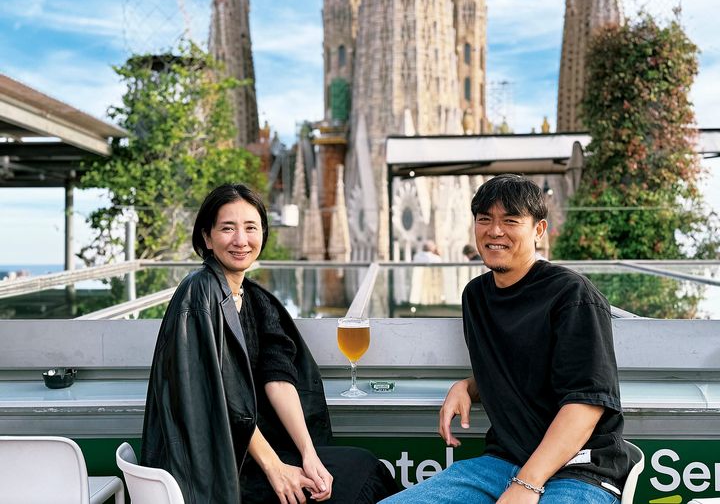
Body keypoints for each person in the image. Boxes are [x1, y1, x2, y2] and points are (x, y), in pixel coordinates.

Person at [381, 174, 633, 504]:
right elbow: (524, 368)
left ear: (539, 230)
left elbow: (585, 404)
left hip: (578, 469)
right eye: (485, 219)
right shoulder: (476, 296)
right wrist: (468, 386)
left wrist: (527, 483)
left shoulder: (572, 294)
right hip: (502, 462)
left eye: (511, 221)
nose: (495, 231)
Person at [142, 183, 398, 504]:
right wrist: (276, 468)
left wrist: (309, 454)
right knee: (356, 482)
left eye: (251, 228)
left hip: (250, 454)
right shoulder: (199, 294)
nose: (241, 240)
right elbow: (223, 403)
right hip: (216, 469)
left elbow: (278, 378)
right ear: (207, 237)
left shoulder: (254, 298)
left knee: (362, 467)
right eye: (227, 228)